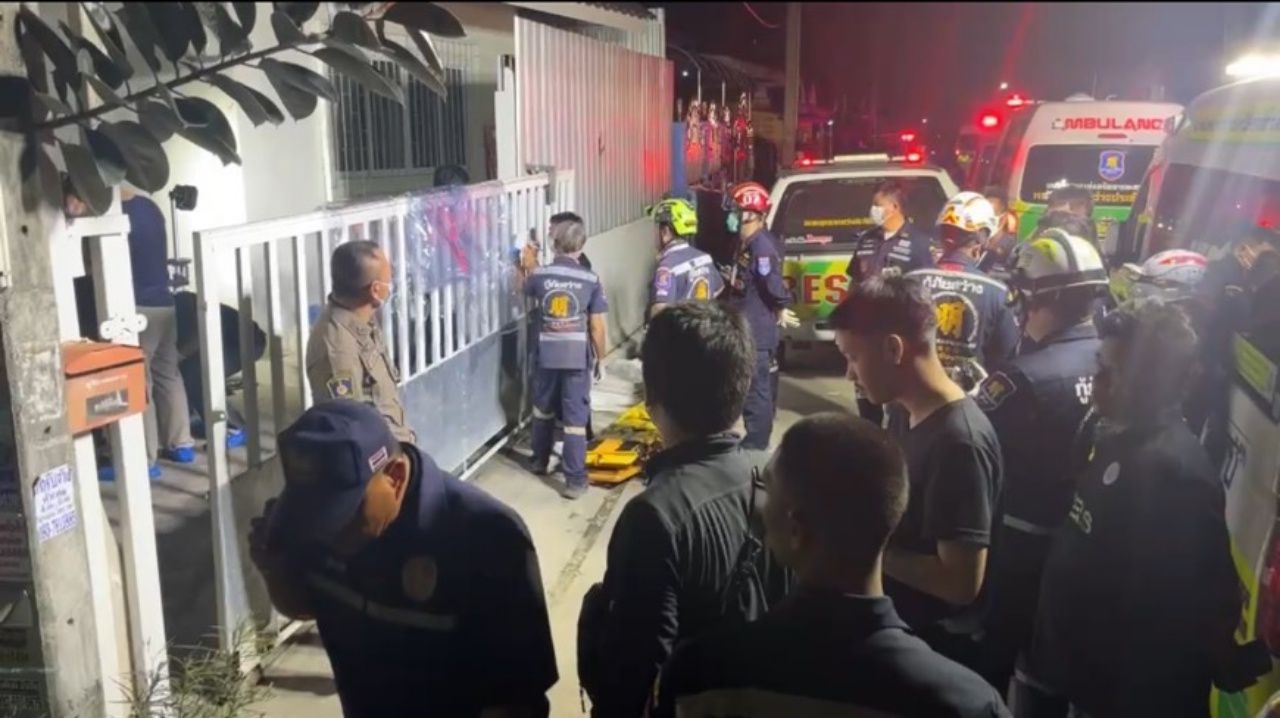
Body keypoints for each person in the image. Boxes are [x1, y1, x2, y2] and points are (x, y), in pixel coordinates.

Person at [649, 413, 1010, 718]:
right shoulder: (968, 704)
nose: (761, 509)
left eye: (768, 492)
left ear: (796, 529)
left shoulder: (702, 677)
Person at [1018, 301, 1268, 718]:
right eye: (1099, 365)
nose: (1098, 380)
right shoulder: (1112, 435)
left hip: (1130, 696)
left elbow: (1203, 599)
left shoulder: (1174, 475)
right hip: (1086, 682)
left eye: (1112, 372)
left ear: (1155, 383)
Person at [248, 400, 556, 718]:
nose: (328, 533)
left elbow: (517, 700)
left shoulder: (487, 537)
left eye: (342, 516)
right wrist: (274, 569)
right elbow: (305, 605)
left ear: (394, 477)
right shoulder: (310, 522)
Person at [578, 302, 789, 718]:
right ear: (743, 383)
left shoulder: (654, 516)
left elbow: (634, 673)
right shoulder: (779, 477)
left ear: (651, 397)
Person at [968, 226, 1109, 694]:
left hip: (1021, 543)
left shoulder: (1022, 378)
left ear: (1038, 299)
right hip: (1089, 542)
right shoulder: (1115, 364)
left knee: (995, 658)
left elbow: (972, 445)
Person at [829, 274, 1002, 647]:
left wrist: (864, 546)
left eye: (853, 358)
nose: (849, 374)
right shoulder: (902, 410)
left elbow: (960, 583)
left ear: (894, 349)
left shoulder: (959, 442)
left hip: (932, 643)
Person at [522, 214, 607, 499]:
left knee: (542, 409)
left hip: (546, 354)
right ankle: (575, 481)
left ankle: (539, 460)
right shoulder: (590, 279)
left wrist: (526, 261)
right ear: (581, 246)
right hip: (575, 358)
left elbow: (522, 287)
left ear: (554, 244)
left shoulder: (540, 276)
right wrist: (601, 358)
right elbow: (596, 326)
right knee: (574, 420)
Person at [907, 192, 1020, 391]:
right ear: (980, 240)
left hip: (913, 396)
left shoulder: (910, 281)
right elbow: (1006, 356)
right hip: (967, 402)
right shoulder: (997, 292)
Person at [306, 240, 415, 443]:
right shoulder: (337, 349)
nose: (391, 285)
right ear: (375, 290)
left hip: (398, 445)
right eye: (388, 280)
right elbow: (349, 431)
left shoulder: (361, 317)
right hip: (384, 456)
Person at [845, 179, 935, 424]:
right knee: (864, 385)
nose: (873, 210)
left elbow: (925, 288)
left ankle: (900, 431)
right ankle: (870, 430)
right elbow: (854, 280)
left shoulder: (918, 244)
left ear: (894, 207)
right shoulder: (867, 239)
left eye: (878, 205)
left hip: (898, 329)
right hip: (865, 326)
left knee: (898, 391)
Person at [121, 190, 197, 468]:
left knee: (139, 380)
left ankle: (145, 458)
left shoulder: (119, 215)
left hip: (139, 308)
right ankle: (181, 444)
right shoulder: (150, 208)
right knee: (168, 374)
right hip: (165, 303)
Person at [719, 181, 795, 450]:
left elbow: (771, 285)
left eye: (735, 211)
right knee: (750, 388)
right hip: (747, 328)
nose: (731, 216)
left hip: (757, 333)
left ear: (750, 214)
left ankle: (756, 445)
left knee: (756, 393)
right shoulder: (746, 245)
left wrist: (782, 304)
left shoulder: (761, 247)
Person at [648, 197, 722, 316]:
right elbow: (718, 288)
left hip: (681, 327)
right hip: (704, 324)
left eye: (656, 229)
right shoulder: (705, 258)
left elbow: (660, 309)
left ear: (665, 232)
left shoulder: (667, 267)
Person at [978, 186, 1019, 279]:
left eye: (992, 202)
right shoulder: (978, 227)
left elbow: (1004, 252)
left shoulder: (1010, 231)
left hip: (996, 276)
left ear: (1003, 209)